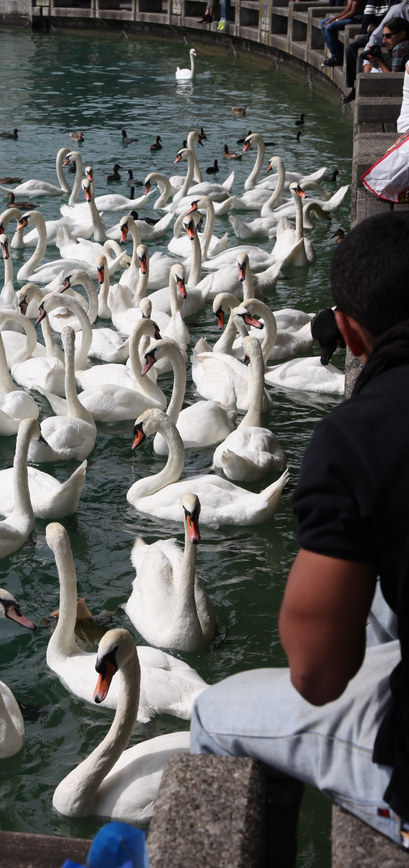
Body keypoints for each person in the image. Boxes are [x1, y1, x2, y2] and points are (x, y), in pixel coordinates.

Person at [191, 211, 409, 865]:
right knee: (373, 600)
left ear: (346, 332)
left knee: (212, 716)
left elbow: (316, 675)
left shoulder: (359, 438)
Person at [342, 0, 401, 103]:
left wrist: (389, 33)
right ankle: (352, 87)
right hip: (375, 34)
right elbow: (366, 23)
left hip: (395, 36)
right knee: (350, 48)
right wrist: (381, 30)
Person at [320, 0, 366, 66]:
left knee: (330, 27)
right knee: (323, 23)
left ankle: (338, 57)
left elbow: (352, 12)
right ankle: (334, 54)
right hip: (354, 16)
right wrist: (333, 19)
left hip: (360, 18)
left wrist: (335, 21)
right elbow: (347, 9)